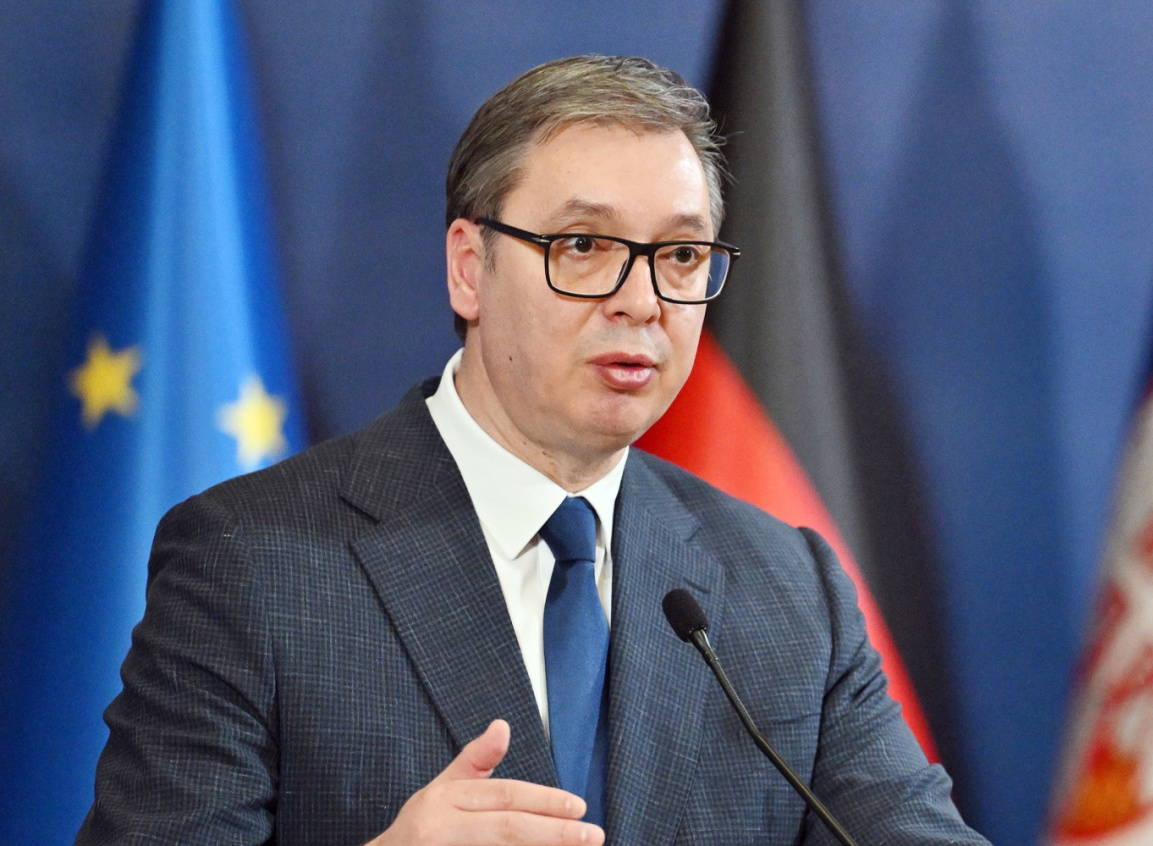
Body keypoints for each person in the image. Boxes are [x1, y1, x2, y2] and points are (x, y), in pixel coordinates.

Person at [76, 55, 988, 845]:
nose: (643, 302)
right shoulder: (250, 562)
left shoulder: (787, 589)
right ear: (468, 268)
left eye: (680, 255)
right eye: (584, 245)